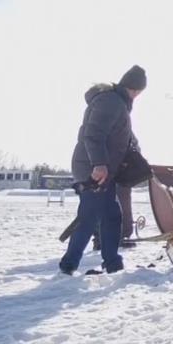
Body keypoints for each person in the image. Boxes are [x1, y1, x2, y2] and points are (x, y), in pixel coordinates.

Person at [59, 65, 147, 275]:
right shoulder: (111, 102)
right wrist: (99, 165)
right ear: (133, 88)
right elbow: (93, 134)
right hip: (93, 170)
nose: (137, 96)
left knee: (110, 215)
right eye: (138, 91)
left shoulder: (118, 104)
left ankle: (112, 262)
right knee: (90, 217)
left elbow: (121, 134)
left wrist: (135, 149)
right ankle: (69, 264)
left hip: (101, 170)